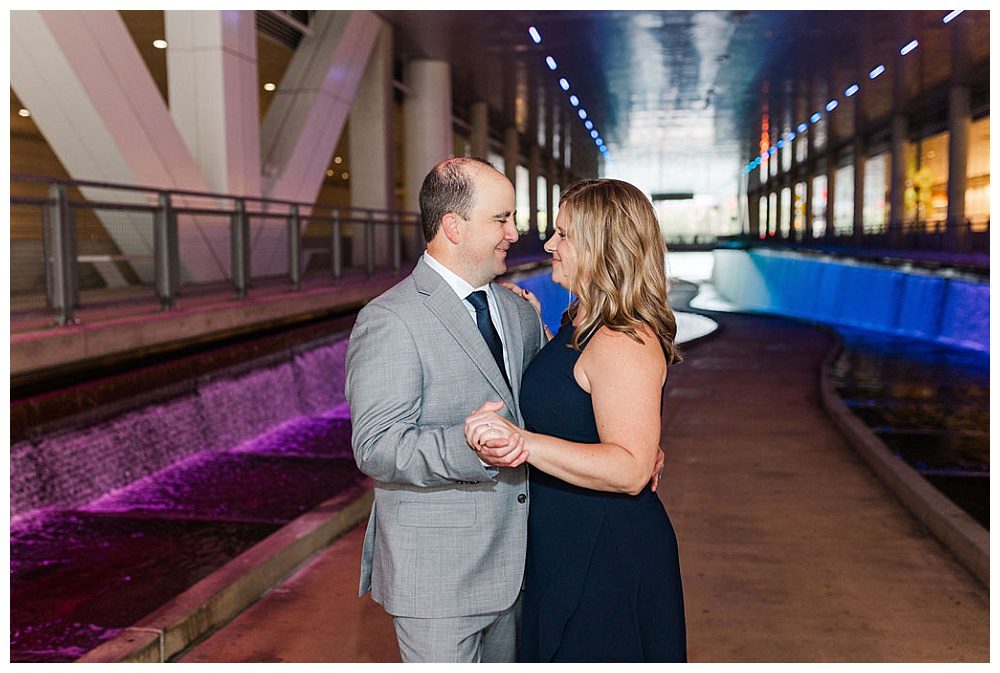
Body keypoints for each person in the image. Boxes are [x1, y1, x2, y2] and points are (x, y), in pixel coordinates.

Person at [465, 178, 687, 662]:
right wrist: (538, 326)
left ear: (601, 246)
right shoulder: (580, 323)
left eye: (563, 234)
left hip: (605, 555)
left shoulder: (623, 339)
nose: (548, 245)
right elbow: (576, 394)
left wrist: (520, 442)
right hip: (568, 541)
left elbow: (630, 469)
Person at [344, 157, 547, 663]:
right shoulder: (390, 319)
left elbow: (543, 408)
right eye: (500, 219)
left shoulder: (519, 311)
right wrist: (468, 446)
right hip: (435, 580)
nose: (513, 232)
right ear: (453, 226)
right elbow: (376, 447)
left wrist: (625, 445)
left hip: (518, 568)